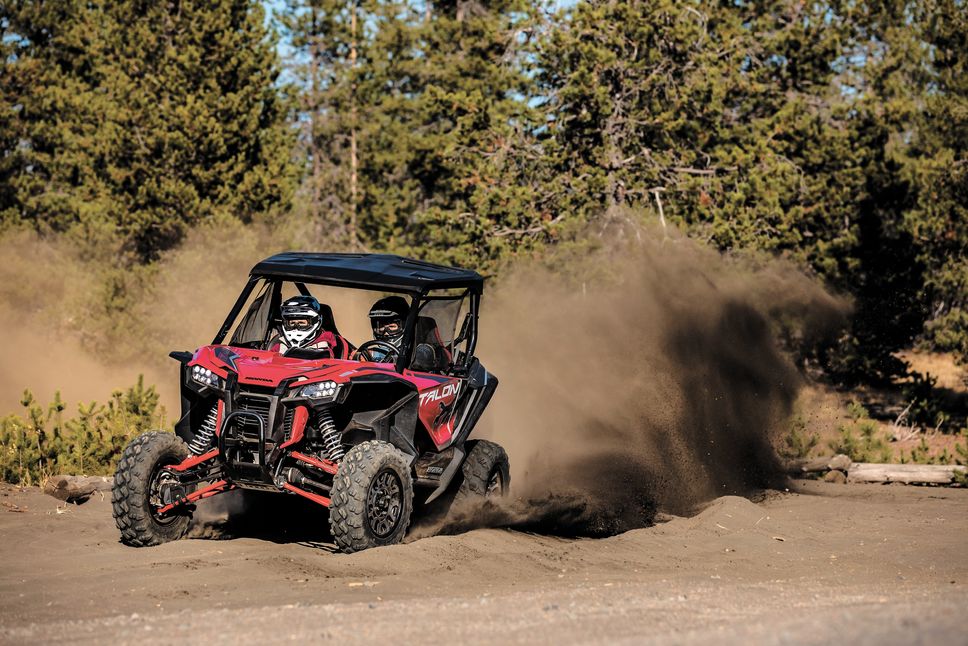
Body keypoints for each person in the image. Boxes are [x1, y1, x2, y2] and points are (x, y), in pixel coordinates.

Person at [271, 295, 352, 359]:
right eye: (292, 323)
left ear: (316, 321)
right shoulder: (279, 344)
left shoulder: (326, 342)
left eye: (301, 323)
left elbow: (326, 359)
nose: (296, 328)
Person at [358, 296, 410, 361]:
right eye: (381, 327)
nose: (385, 333)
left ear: (405, 326)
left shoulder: (414, 351)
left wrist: (373, 354)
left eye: (391, 326)